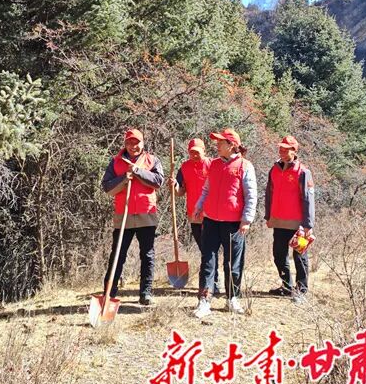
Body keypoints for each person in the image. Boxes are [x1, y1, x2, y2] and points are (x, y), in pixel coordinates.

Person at [191, 128, 257, 318]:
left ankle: (232, 298)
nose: (217, 145)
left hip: (233, 224)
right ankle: (204, 301)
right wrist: (198, 206)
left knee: (233, 264)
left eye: (221, 142)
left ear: (232, 145)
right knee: (207, 262)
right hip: (211, 220)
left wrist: (246, 220)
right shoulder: (214, 164)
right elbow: (206, 189)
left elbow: (251, 195)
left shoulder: (245, 166)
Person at [101, 128, 164, 306]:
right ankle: (109, 294)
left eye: (136, 143)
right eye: (129, 143)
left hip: (146, 214)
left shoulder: (152, 160)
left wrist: (137, 171)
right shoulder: (115, 162)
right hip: (124, 215)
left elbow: (158, 181)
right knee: (117, 255)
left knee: (148, 255)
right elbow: (106, 187)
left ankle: (145, 294)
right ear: (125, 144)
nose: (133, 146)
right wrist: (124, 178)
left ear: (142, 143)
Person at [264, 135, 315, 303]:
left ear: (294, 151)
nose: (282, 152)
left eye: (286, 150)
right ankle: (286, 286)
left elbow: (308, 199)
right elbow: (269, 193)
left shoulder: (303, 172)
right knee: (279, 255)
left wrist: (308, 224)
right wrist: (268, 215)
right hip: (279, 221)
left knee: (300, 257)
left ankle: (301, 290)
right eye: (281, 149)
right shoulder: (274, 169)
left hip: (298, 223)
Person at [173, 138, 221, 294]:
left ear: (204, 151)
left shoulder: (213, 164)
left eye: (197, 152)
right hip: (194, 215)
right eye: (192, 152)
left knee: (209, 250)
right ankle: (211, 281)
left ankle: (213, 282)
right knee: (204, 249)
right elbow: (180, 192)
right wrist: (174, 186)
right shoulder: (184, 167)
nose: (194, 155)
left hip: (211, 215)